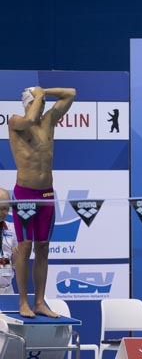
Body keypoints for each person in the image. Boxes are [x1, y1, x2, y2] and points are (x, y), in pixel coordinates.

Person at [8, 86, 76, 317]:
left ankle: (39, 302)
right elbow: (29, 120)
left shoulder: (48, 122)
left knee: (43, 247)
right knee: (25, 247)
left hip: (46, 194)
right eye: (37, 101)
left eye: (44, 102)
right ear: (27, 103)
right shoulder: (16, 122)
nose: (42, 105)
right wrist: (38, 96)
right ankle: (23, 302)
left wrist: (43, 91)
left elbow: (71, 93)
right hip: (25, 194)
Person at [0, 188, 18, 294]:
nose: (5, 213)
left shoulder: (12, 229)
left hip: (8, 291)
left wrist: (17, 256)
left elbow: (15, 265)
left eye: (7, 209)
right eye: (2, 208)